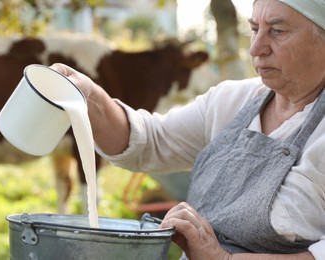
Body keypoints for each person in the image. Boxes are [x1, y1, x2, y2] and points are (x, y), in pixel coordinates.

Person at [51, 0, 325, 259]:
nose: (256, 48)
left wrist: (224, 258)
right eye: (255, 30)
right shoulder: (231, 101)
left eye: (277, 31)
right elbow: (149, 142)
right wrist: (90, 96)